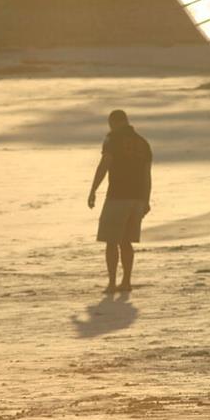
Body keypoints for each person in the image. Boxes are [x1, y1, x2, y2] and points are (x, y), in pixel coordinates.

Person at [87, 110, 152, 294]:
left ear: (113, 123)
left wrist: (93, 190)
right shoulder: (143, 143)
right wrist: (145, 200)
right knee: (126, 242)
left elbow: (104, 165)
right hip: (137, 198)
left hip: (117, 197)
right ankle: (127, 282)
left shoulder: (112, 139)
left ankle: (112, 282)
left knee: (111, 241)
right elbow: (147, 175)